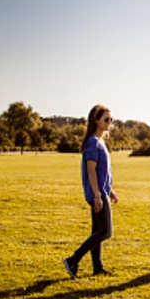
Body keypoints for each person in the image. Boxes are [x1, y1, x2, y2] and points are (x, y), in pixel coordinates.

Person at [63, 105, 118, 278]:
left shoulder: (99, 141)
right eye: (106, 119)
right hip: (97, 194)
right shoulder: (93, 142)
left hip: (102, 192)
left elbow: (102, 172)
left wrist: (110, 190)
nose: (110, 122)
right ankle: (73, 260)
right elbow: (91, 170)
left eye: (111, 119)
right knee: (105, 231)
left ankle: (97, 267)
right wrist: (97, 195)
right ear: (96, 120)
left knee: (97, 230)